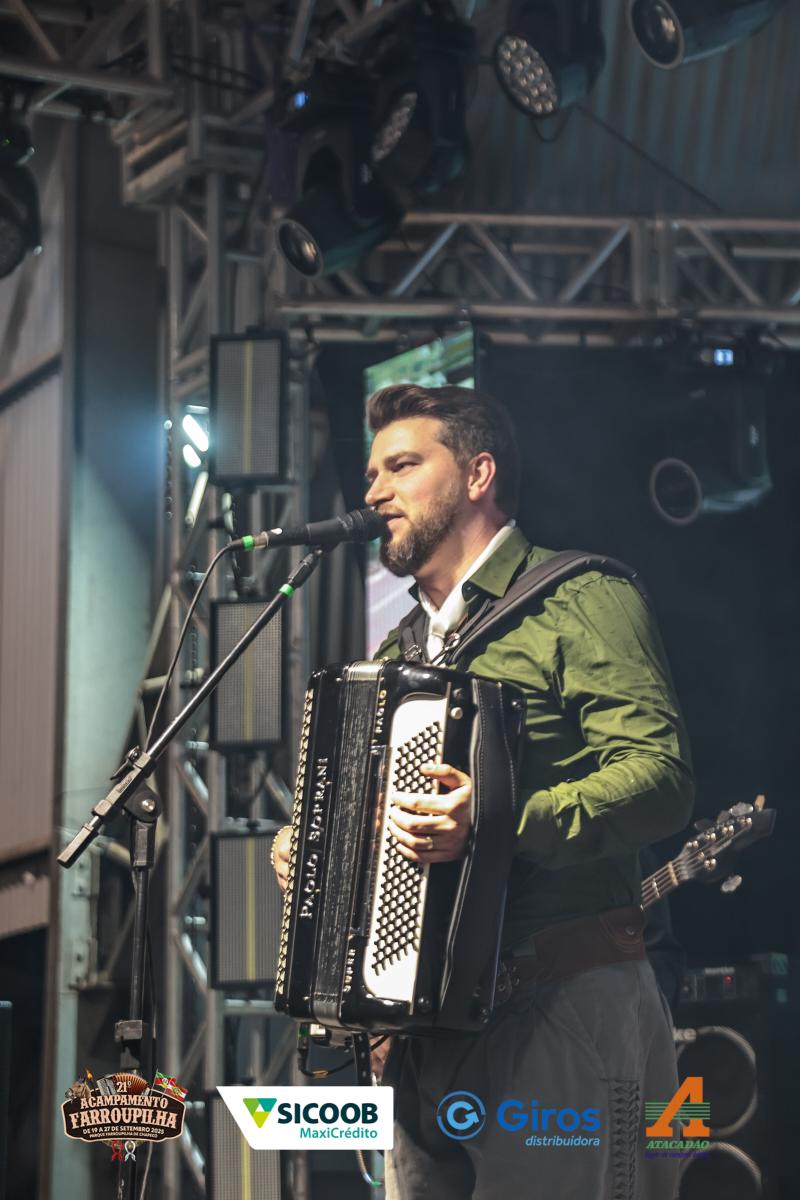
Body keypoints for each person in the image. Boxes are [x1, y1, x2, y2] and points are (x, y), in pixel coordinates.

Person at [272, 383, 694, 1200]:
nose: (374, 491)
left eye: (402, 466)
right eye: (371, 473)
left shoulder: (579, 598)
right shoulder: (396, 653)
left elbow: (661, 779)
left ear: (477, 475)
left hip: (560, 995)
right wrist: (316, 854)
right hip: (422, 1034)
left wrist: (500, 821)